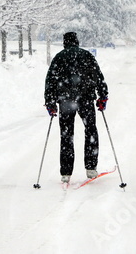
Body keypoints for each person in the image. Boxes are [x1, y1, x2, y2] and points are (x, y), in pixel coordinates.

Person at [44, 32, 108, 184]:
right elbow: (98, 76)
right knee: (91, 130)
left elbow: (50, 81)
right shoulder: (87, 56)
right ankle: (91, 167)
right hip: (85, 99)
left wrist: (50, 102)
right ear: (77, 42)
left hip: (66, 101)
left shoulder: (59, 58)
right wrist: (102, 96)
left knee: (66, 134)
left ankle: (66, 172)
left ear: (65, 42)